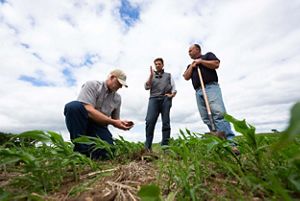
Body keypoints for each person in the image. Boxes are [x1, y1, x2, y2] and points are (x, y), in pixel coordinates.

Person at [64, 69, 134, 159]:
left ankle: (90, 153)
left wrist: (122, 124)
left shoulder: (117, 98)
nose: (120, 87)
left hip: (99, 126)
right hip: (83, 121)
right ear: (112, 77)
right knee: (73, 107)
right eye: (119, 83)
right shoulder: (92, 85)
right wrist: (113, 122)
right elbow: (88, 110)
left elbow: (115, 119)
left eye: (122, 85)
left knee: (108, 151)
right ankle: (80, 150)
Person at [183, 44, 236, 142]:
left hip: (210, 87)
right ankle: (219, 140)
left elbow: (216, 64)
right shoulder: (190, 65)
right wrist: (192, 66)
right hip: (198, 91)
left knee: (218, 113)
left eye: (190, 50)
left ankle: (230, 141)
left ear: (197, 49)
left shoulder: (207, 56)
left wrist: (201, 61)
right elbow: (186, 77)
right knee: (206, 117)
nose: (188, 53)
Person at [144, 58, 177, 151]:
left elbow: (174, 89)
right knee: (149, 121)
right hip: (153, 99)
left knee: (166, 122)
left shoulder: (168, 75)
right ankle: (147, 147)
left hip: (165, 99)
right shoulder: (152, 75)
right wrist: (151, 76)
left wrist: (171, 95)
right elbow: (146, 87)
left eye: (159, 64)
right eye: (156, 64)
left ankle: (165, 148)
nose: (157, 65)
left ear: (162, 65)